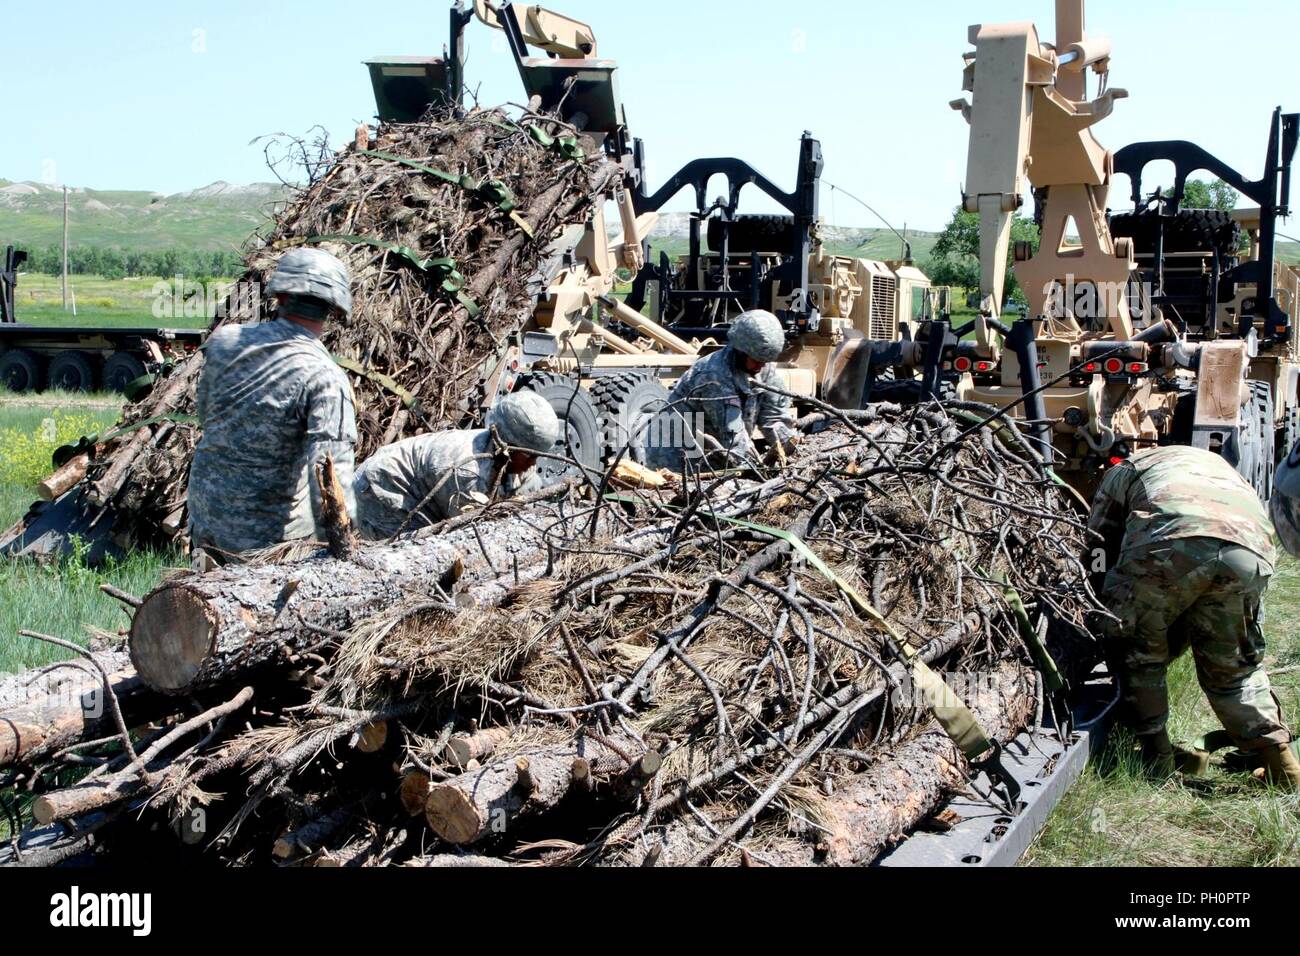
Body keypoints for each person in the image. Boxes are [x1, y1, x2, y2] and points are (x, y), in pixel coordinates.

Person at [1089, 445, 1299, 789]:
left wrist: (1101, 593)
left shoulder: (1122, 471)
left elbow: (1098, 541)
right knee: (1235, 668)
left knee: (1139, 653)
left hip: (1172, 542)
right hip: (1249, 551)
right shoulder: (1219, 470)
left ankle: (1155, 758)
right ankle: (1281, 763)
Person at [188, 248, 358, 563]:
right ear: (333, 310)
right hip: (270, 548)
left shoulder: (225, 343)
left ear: (279, 296)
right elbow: (330, 480)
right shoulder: (326, 377)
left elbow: (205, 416)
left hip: (205, 526)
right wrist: (344, 557)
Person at [352, 390, 560, 540]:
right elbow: (468, 535)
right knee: (414, 553)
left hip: (422, 486)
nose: (535, 462)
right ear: (507, 445)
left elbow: (527, 487)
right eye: (530, 456)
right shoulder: (468, 474)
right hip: (384, 488)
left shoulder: (511, 454)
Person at [646, 309, 795, 473]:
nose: (761, 366)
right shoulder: (714, 376)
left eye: (766, 361)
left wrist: (789, 450)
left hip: (712, 457)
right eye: (756, 360)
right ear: (740, 351)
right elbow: (733, 437)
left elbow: (773, 418)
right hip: (675, 460)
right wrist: (757, 470)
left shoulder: (763, 370)